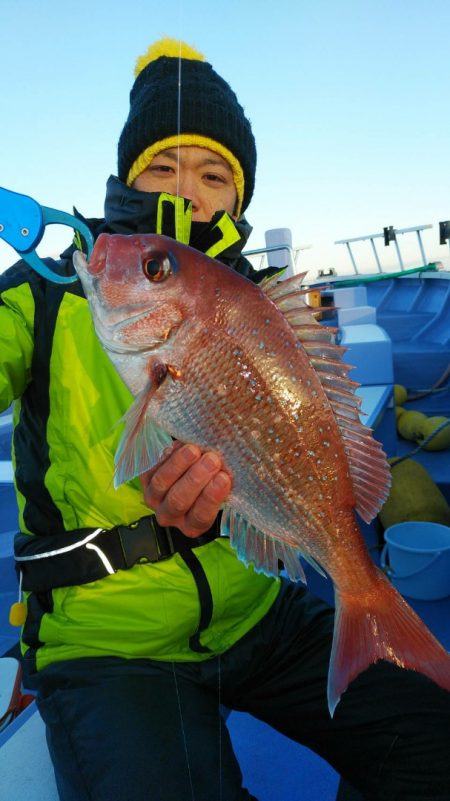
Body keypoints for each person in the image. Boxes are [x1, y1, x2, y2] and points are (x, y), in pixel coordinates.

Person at [1, 37, 449, 801]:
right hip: (112, 643)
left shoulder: (269, 302)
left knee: (433, 741)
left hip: (255, 608)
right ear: (124, 177)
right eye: (162, 165)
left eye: (216, 174)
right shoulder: (40, 296)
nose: (191, 188)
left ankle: (365, 605)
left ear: (238, 200)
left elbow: (318, 427)